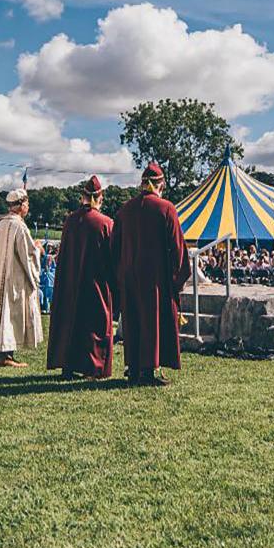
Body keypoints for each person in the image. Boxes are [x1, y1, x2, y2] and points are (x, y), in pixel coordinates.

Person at [113, 162, 192, 385]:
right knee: (152, 322)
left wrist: (120, 273)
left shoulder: (125, 209)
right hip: (156, 277)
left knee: (135, 320)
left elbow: (114, 246)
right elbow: (177, 247)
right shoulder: (166, 208)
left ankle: (134, 367)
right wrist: (176, 279)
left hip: (130, 275)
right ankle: (147, 370)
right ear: (161, 185)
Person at [47, 177, 117, 380]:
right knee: (94, 325)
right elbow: (111, 257)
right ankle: (93, 368)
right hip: (95, 282)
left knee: (71, 322)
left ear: (83, 197)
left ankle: (68, 365)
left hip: (70, 281)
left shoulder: (69, 221)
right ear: (100, 198)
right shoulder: (105, 223)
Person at [0, 189, 44, 368]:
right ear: (22, 205)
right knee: (9, 314)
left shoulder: (1, 224)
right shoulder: (19, 226)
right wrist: (38, 249)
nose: (28, 207)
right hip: (13, 278)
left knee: (3, 314)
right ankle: (5, 355)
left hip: (1, 275)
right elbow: (27, 254)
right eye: (27, 204)